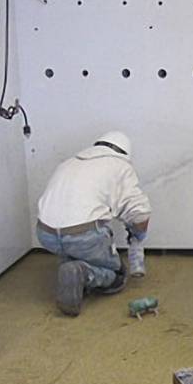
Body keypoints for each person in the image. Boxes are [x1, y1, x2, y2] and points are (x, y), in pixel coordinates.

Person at [36, 131, 151, 316]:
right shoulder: (120, 166)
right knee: (118, 275)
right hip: (83, 236)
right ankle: (84, 273)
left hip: (46, 234)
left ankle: (72, 265)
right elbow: (140, 214)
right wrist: (138, 235)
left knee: (75, 248)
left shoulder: (70, 162)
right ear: (125, 153)